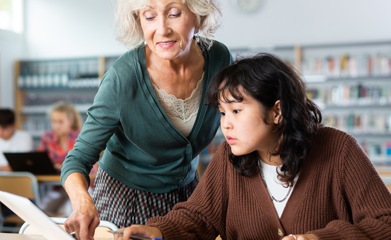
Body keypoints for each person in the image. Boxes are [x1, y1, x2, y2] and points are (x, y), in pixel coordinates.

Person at [117, 53, 391, 240]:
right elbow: (197, 218)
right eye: (222, 113)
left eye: (236, 111)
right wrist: (157, 232)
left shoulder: (338, 149)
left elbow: (385, 223)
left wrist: (320, 238)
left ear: (277, 112)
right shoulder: (228, 157)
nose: (226, 124)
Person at [60, 0, 232, 239]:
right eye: (149, 17)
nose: (162, 29)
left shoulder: (219, 58)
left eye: (174, 14)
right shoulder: (122, 78)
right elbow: (77, 159)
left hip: (189, 198)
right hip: (126, 201)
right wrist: (81, 201)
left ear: (198, 16)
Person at [37, 101, 84, 172]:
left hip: (75, 179)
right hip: (51, 180)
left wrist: (62, 167)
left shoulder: (80, 137)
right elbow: (38, 161)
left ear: (70, 121)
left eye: (60, 122)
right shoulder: (47, 137)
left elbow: (89, 166)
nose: (57, 126)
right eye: (53, 121)